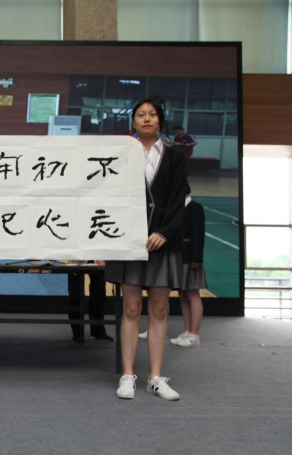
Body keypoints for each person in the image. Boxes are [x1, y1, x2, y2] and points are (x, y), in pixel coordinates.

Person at [105, 98, 186, 401]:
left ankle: (155, 377)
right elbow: (111, 196)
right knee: (130, 308)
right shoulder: (122, 154)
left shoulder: (174, 157)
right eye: (141, 114)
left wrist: (163, 232)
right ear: (133, 122)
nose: (147, 118)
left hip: (163, 244)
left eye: (152, 114)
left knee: (159, 309)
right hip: (129, 243)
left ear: (160, 120)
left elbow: (178, 200)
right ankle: (127, 376)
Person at [172, 182, 207, 348]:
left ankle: (194, 335)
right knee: (182, 295)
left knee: (193, 294)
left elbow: (199, 235)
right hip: (178, 256)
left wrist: (196, 259)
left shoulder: (195, 208)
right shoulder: (176, 208)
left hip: (191, 258)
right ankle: (187, 331)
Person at [69, 261, 113, 343]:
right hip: (76, 257)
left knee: (99, 291)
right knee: (75, 293)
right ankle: (77, 333)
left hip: (96, 256)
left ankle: (97, 331)